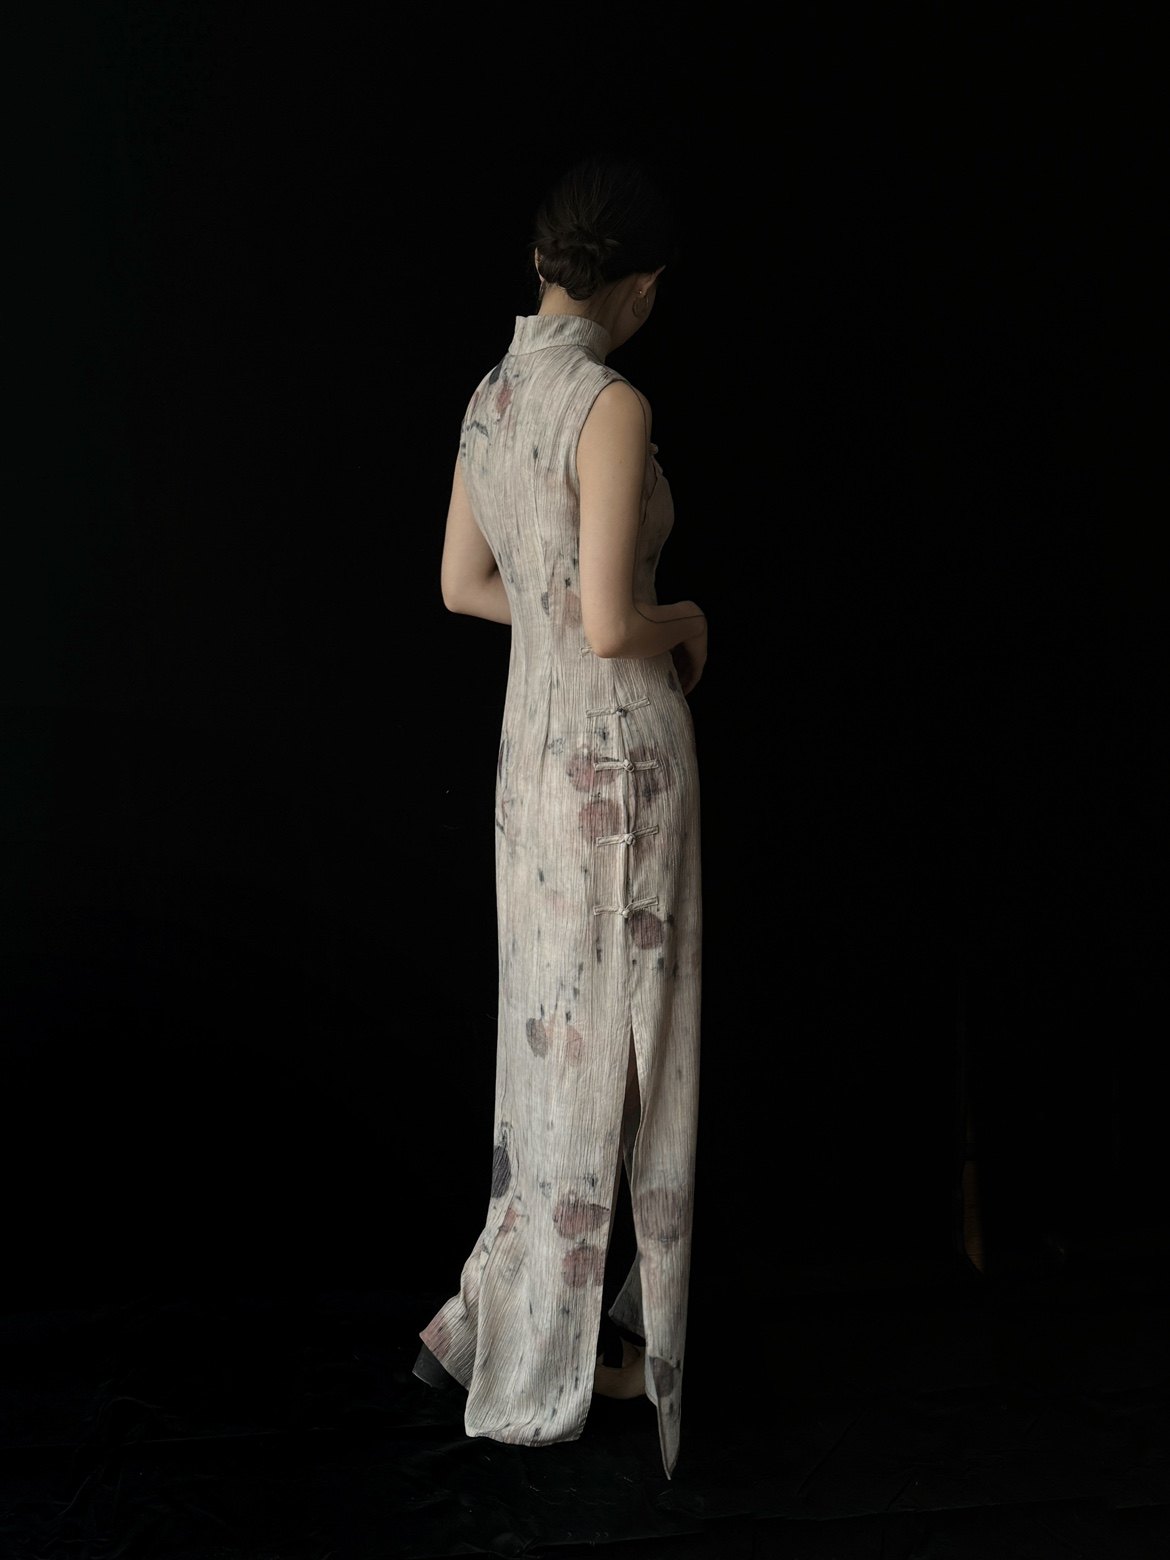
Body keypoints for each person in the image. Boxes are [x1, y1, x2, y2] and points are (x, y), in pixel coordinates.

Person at [412, 154, 706, 1482]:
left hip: (528, 766)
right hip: (619, 759)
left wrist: (562, 613)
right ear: (638, 289)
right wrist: (684, 621)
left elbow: (460, 585)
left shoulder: (491, 396)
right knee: (638, 1052)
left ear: (544, 267)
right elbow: (608, 623)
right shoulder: (609, 402)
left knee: (548, 1051)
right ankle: (609, 1344)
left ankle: (502, 1317)